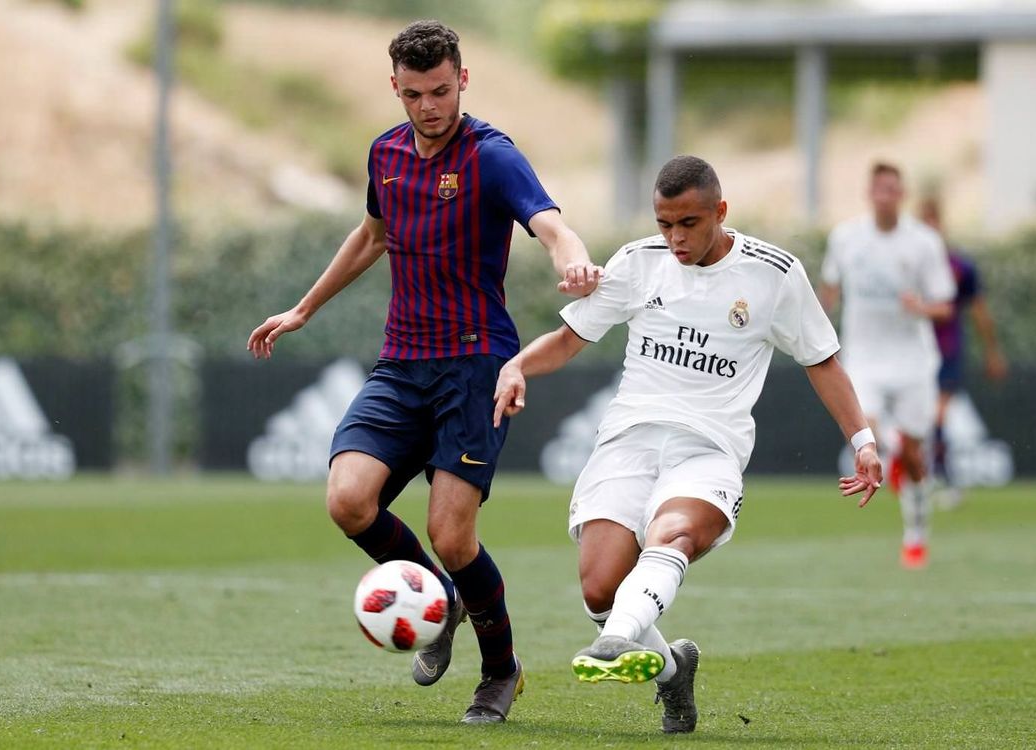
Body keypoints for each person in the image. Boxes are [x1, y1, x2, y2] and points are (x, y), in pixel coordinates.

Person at [246, 20, 601, 725]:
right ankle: (438, 607)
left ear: (463, 79)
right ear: (395, 89)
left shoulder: (491, 156)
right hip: (402, 363)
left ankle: (501, 673)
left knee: (451, 534)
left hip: (475, 366)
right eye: (415, 94)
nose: (430, 105)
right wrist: (304, 308)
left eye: (442, 90)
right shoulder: (384, 153)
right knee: (348, 500)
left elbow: (553, 226)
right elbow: (373, 235)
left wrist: (575, 265)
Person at [492, 155, 882, 734]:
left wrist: (864, 440)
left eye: (690, 224)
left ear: (720, 212)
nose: (675, 238)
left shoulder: (773, 273)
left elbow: (821, 362)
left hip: (709, 448)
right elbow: (571, 339)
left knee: (668, 535)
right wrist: (517, 366)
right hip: (628, 439)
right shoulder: (637, 263)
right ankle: (672, 667)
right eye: (664, 224)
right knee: (600, 586)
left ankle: (618, 638)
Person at [819, 163, 956, 569]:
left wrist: (922, 307)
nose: (886, 196)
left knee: (914, 455)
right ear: (869, 193)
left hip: (914, 361)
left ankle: (916, 528)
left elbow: (946, 306)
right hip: (864, 358)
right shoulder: (845, 238)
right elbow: (829, 290)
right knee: (869, 431)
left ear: (902, 194)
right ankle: (890, 453)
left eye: (893, 190)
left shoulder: (924, 242)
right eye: (879, 189)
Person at [918, 197, 1008, 509]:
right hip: (912, 354)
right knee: (918, 419)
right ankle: (926, 476)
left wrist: (992, 351)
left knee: (938, 415)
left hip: (947, 351)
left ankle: (942, 478)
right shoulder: (908, 266)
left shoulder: (960, 267)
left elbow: (979, 311)